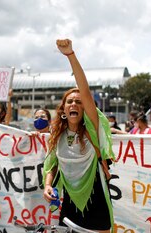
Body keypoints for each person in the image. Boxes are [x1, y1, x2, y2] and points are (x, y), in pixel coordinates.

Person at [43, 39, 114, 233]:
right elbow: (51, 164)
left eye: (79, 102)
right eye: (70, 102)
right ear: (64, 109)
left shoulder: (93, 129)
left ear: (85, 109)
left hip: (96, 195)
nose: (74, 104)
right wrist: (48, 185)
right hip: (69, 200)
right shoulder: (57, 135)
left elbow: (85, 91)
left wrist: (70, 56)